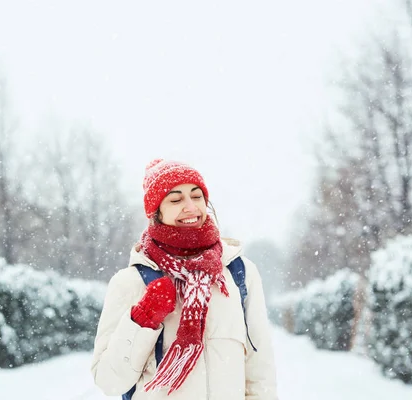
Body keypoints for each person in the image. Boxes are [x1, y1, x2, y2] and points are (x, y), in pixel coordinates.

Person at [91, 159, 279, 399]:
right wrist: (143, 319)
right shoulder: (131, 282)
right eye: (176, 199)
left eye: (197, 196)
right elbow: (109, 382)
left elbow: (259, 369)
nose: (191, 207)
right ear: (156, 211)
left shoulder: (239, 273)